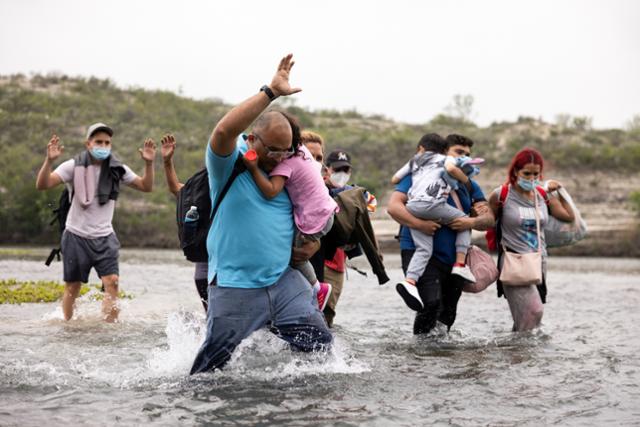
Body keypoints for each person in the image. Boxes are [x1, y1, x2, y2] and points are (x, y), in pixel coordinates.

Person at [190, 54, 332, 375]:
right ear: (253, 139)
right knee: (210, 370)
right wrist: (270, 93)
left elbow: (310, 209)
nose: (278, 157)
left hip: (282, 282)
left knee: (322, 350)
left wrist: (313, 243)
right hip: (234, 285)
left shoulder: (288, 167)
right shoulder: (231, 163)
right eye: (272, 150)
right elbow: (224, 130)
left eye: (286, 151)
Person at [35, 123, 156, 322]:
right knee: (73, 287)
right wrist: (49, 161)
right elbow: (42, 184)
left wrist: (149, 164)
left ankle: (108, 330)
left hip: (105, 237)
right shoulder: (72, 166)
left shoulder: (118, 169)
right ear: (88, 144)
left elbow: (146, 186)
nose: (103, 145)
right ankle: (68, 327)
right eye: (98, 141)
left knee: (112, 282)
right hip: (76, 235)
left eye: (107, 142)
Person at [387, 134, 494, 334]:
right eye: (459, 152)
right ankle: (420, 356)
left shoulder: (469, 184)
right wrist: (421, 224)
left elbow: (489, 220)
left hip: (454, 260)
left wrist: (469, 221)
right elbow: (393, 207)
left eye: (468, 154)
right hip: (418, 250)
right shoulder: (418, 174)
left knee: (448, 314)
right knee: (431, 303)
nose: (465, 157)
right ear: (445, 153)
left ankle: (441, 357)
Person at [242, 118, 337, 311]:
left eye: (281, 150)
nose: (277, 156)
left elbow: (270, 190)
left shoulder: (286, 165)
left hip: (315, 219)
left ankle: (317, 288)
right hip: (326, 213)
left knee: (293, 254)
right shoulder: (303, 153)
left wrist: (252, 168)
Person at [489, 147, 574, 331]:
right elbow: (487, 221)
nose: (531, 178)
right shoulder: (501, 195)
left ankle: (517, 355)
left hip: (538, 261)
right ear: (515, 171)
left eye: (536, 174)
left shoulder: (542, 196)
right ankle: (520, 354)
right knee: (534, 312)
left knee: (528, 320)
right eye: (526, 173)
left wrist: (558, 191)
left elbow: (569, 216)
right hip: (514, 262)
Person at [160, 133, 209, 311]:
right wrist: (167, 161)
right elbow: (176, 188)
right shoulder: (202, 191)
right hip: (209, 273)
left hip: (208, 275)